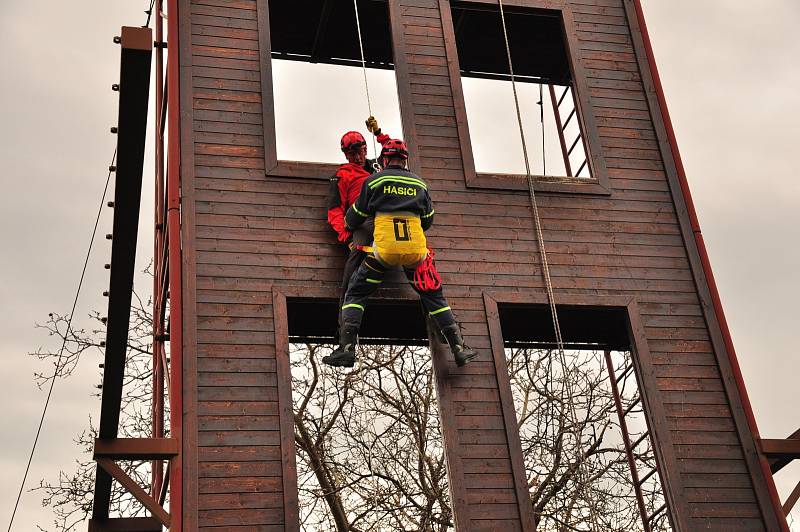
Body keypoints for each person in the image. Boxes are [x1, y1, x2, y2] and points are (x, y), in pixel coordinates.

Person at [322, 138, 477, 368]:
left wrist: (348, 228)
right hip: (416, 252)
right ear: (405, 159)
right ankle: (459, 347)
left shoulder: (375, 180)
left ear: (384, 159)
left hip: (384, 252)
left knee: (355, 293)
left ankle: (347, 348)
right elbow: (427, 220)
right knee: (434, 295)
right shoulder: (420, 184)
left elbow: (356, 214)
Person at [326, 117, 389, 341]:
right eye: (353, 154)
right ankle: (344, 329)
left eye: (361, 151)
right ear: (345, 155)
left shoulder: (376, 166)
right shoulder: (342, 174)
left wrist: (378, 133)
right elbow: (335, 211)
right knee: (350, 276)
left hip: (385, 219)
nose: (359, 157)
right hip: (361, 224)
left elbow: (395, 150)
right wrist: (347, 237)